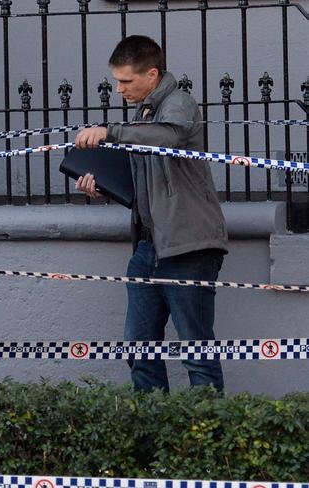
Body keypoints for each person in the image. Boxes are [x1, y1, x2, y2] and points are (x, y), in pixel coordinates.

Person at [74, 35, 228, 392]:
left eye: (125, 81)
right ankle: (151, 439)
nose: (118, 89)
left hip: (188, 247)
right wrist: (102, 188)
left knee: (197, 352)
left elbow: (168, 138)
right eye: (116, 80)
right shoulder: (143, 113)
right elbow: (145, 185)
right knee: (140, 350)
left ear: (152, 74)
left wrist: (109, 131)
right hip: (147, 249)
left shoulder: (179, 105)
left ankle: (207, 442)